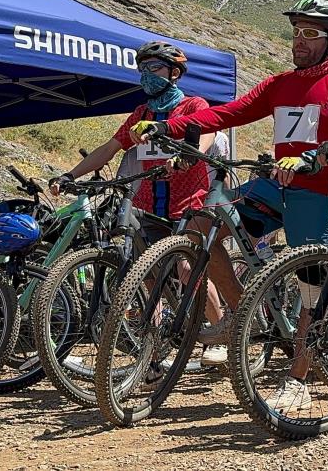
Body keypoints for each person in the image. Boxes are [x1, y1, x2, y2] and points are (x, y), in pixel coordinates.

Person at [130, 0, 328, 411]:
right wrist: (170, 125)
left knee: (310, 287)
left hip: (319, 190)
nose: (299, 40)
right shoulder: (279, 84)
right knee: (203, 228)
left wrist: (315, 157)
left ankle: (299, 378)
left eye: (310, 33)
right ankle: (238, 316)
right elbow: (228, 113)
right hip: (274, 185)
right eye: (296, 31)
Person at [48, 41, 234, 368]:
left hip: (189, 203)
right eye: (143, 69)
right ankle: (154, 345)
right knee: (146, 275)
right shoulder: (141, 115)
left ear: (174, 73)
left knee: (188, 267)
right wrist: (70, 174)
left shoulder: (192, 105)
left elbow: (204, 133)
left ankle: (217, 330)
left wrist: (189, 155)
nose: (146, 75)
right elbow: (109, 147)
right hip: (150, 204)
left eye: (154, 68)